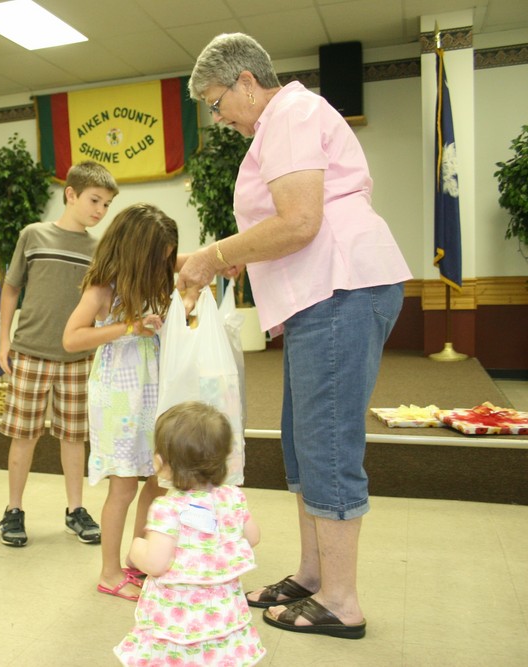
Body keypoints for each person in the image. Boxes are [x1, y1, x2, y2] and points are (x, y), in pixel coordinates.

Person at [178, 33, 412, 639]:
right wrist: (240, 258)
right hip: (322, 294)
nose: (218, 115)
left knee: (327, 443)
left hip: (340, 288)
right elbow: (290, 222)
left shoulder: (292, 112)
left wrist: (213, 254)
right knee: (305, 441)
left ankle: (341, 600)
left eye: (215, 100)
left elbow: (302, 221)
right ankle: (313, 576)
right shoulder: (280, 122)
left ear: (246, 82)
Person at [0, 161, 118, 548]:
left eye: (106, 205)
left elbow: (102, 304)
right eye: (94, 200)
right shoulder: (33, 235)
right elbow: (11, 290)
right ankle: (13, 510)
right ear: (71, 194)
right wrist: (4, 341)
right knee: (23, 436)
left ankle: (75, 510)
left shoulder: (99, 249)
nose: (100, 211)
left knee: (73, 437)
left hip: (77, 359)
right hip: (30, 351)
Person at [63, 203, 178, 601]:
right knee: (124, 487)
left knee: (159, 481)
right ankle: (110, 572)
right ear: (135, 253)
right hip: (118, 397)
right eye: (157, 257)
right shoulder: (102, 289)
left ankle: (139, 558)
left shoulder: (156, 285)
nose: (162, 264)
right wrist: (128, 327)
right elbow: (72, 338)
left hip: (153, 393)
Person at [114, 401, 266, 666]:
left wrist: (136, 548)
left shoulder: (167, 508)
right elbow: (252, 537)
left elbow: (156, 563)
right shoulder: (232, 497)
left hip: (178, 620)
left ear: (161, 462)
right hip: (222, 615)